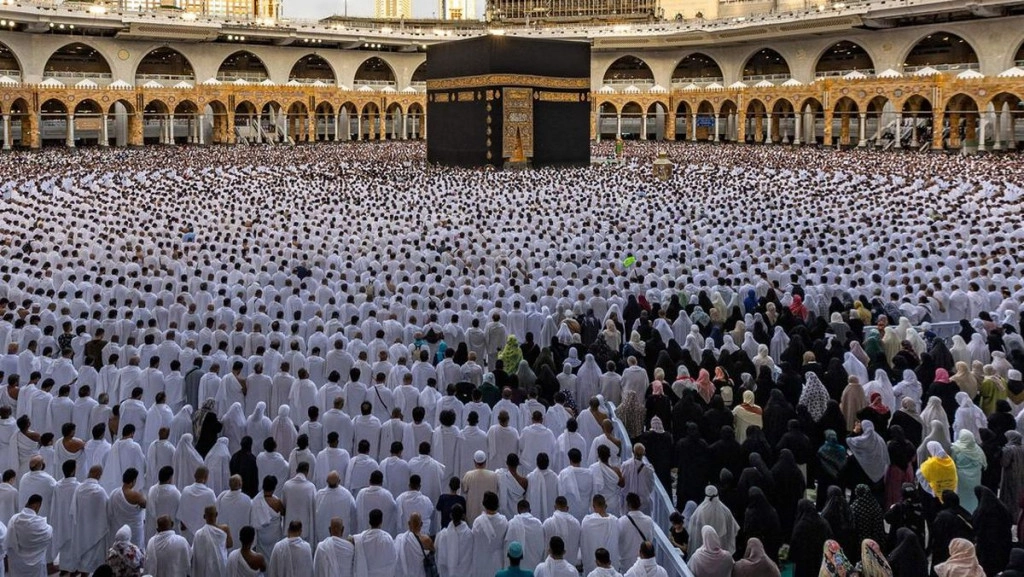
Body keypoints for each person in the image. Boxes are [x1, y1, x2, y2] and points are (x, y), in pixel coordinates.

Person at [5, 494, 52, 577]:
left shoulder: (14, 520)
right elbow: (48, 536)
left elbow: (9, 543)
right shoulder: (44, 526)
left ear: (27, 503)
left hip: (17, 564)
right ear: (37, 506)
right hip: (36, 567)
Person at [473, 491, 510, 577]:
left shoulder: (478, 522)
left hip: (481, 562)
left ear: (484, 504)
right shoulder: (504, 521)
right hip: (498, 562)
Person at [353, 508, 397, 577]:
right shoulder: (388, 538)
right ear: (381, 521)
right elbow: (393, 559)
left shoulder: (360, 539)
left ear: (369, 521)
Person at [193, 505, 233, 577]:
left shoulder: (199, 534)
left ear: (204, 516)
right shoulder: (224, 529)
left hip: (206, 568)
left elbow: (195, 553)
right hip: (221, 563)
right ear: (216, 514)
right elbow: (230, 544)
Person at [435, 504, 473, 577]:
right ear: (463, 516)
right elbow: (470, 556)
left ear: (451, 516)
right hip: (464, 573)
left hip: (447, 573)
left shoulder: (443, 535)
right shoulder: (469, 534)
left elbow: (439, 556)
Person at [394, 513, 433, 577]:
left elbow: (395, 558)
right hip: (420, 574)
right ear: (421, 524)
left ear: (409, 523)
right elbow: (434, 555)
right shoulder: (426, 540)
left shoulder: (400, 539)